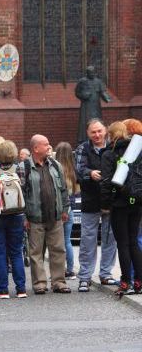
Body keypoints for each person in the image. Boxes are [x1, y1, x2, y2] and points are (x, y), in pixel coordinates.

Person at [21, 134, 71, 295]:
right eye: (46, 144)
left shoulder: (56, 165)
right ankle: (40, 284)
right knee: (36, 253)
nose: (49, 147)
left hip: (55, 217)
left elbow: (63, 189)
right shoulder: (24, 167)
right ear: (36, 148)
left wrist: (65, 209)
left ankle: (59, 282)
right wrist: (24, 217)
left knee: (58, 250)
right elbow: (21, 194)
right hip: (35, 218)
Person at [74, 119, 118, 292]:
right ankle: (85, 277)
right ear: (88, 133)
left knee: (110, 238)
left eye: (99, 131)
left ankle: (106, 274)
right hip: (90, 200)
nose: (97, 135)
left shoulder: (113, 147)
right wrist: (90, 173)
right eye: (93, 132)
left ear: (105, 130)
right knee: (87, 240)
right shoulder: (82, 148)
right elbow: (78, 170)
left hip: (110, 200)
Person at [101, 121, 142, 295]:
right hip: (137, 201)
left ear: (110, 135)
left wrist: (105, 204)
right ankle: (139, 281)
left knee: (123, 243)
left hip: (119, 203)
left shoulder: (109, 153)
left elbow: (106, 182)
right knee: (133, 241)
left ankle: (125, 281)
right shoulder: (137, 150)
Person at [0, 140, 27, 299]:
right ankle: (21, 288)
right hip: (17, 214)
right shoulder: (20, 169)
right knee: (17, 252)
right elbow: (25, 190)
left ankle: (2, 289)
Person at [55, 142, 80, 280]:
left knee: (56, 242)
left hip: (58, 209)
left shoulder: (55, 169)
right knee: (67, 241)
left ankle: (59, 270)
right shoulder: (73, 170)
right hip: (70, 208)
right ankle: (70, 270)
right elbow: (77, 191)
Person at [75, 66, 111, 143]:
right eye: (90, 73)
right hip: (86, 106)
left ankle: (99, 138)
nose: (92, 74)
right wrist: (83, 95)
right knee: (85, 122)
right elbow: (77, 92)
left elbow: (102, 92)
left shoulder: (98, 81)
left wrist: (107, 98)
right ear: (87, 73)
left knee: (97, 121)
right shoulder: (82, 81)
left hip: (96, 106)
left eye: (93, 73)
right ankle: (84, 139)